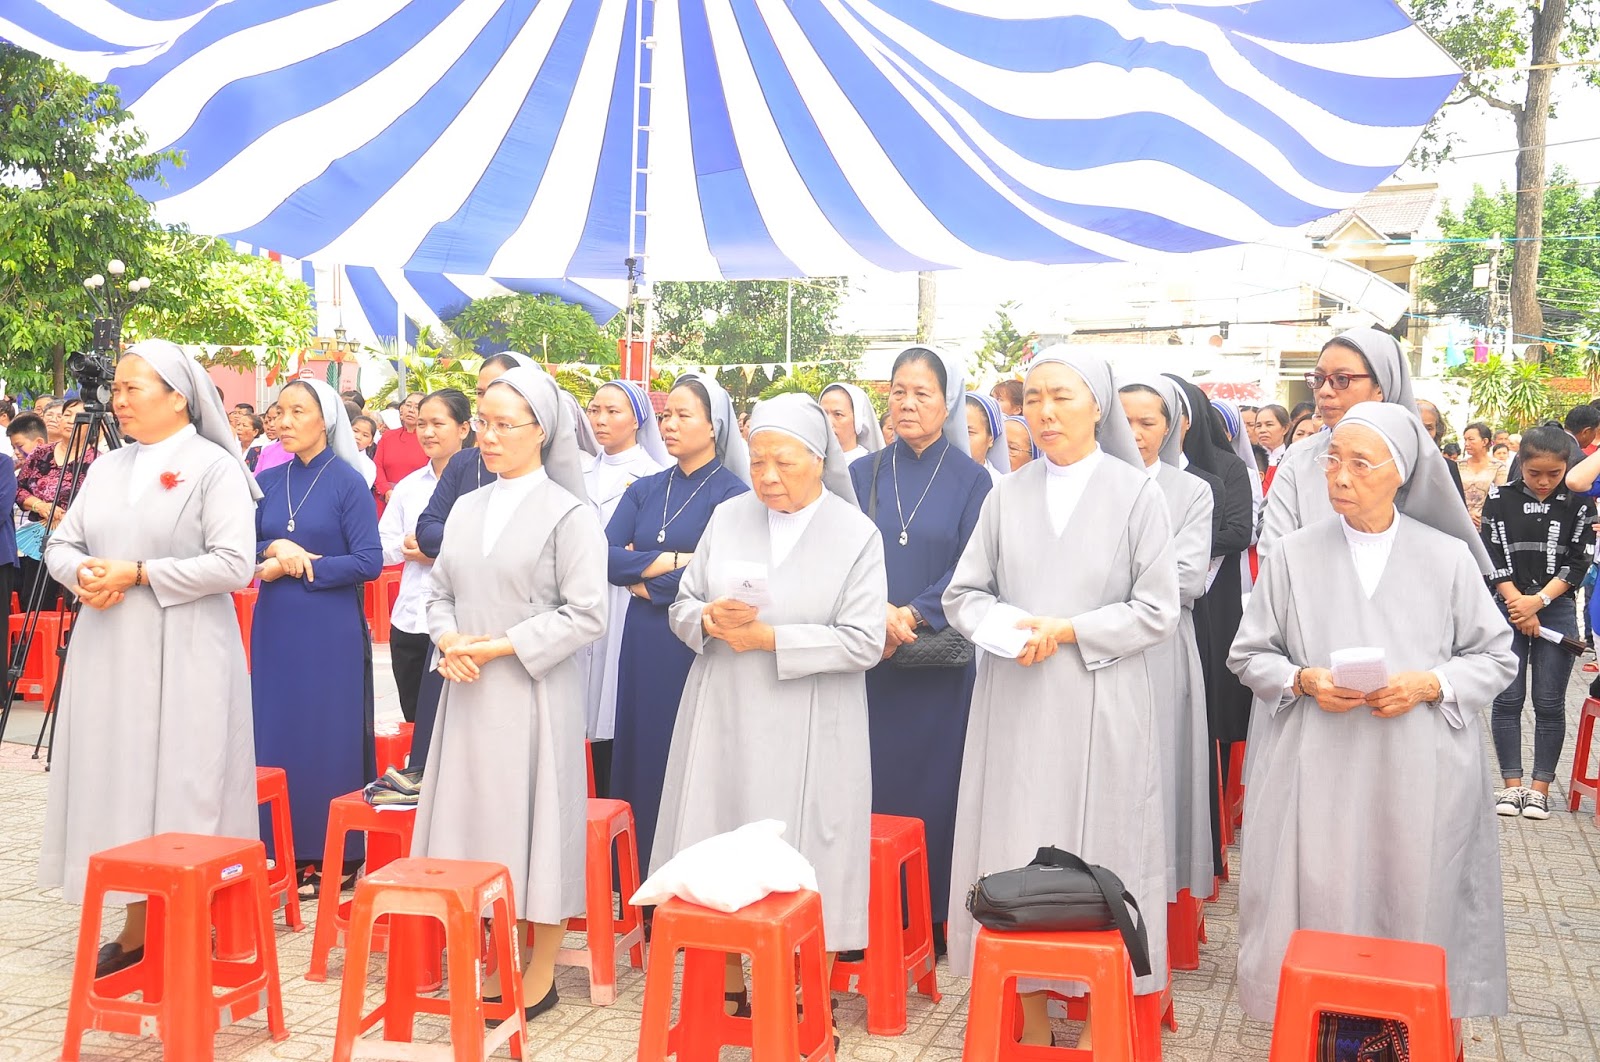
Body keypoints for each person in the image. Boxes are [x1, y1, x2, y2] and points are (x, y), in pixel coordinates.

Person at [1227, 402, 1515, 1027]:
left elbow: (1496, 656)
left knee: (1411, 893)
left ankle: (1404, 1027)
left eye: (1360, 463)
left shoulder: (1447, 557)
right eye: (1332, 460)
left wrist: (1430, 683)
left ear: (1401, 472)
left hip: (1416, 764)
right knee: (1322, 895)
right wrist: (1303, 679)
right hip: (1318, 762)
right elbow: (1248, 653)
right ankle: (1323, 1025)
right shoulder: (1293, 555)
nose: (1340, 476)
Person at [944, 349, 1177, 1045]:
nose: (1044, 413)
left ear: (1098, 406)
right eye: (1034, 399)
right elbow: (964, 594)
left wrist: (1070, 629)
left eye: (1062, 397)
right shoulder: (1006, 494)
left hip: (1101, 698)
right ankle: (1034, 1016)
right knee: (1019, 843)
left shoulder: (1136, 494)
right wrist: (1007, 628)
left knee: (1101, 844)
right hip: (1017, 700)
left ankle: (1103, 1015)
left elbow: (1157, 610)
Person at [656, 394, 883, 1041]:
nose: (768, 477)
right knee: (719, 835)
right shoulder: (728, 516)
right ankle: (726, 981)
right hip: (726, 712)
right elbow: (683, 604)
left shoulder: (854, 534)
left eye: (784, 462)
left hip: (814, 721)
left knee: (812, 851)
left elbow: (864, 640)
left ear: (819, 459)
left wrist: (771, 640)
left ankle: (810, 992)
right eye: (757, 461)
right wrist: (707, 618)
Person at [40, 340, 259, 977]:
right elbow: (62, 543)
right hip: (109, 645)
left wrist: (138, 573)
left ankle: (191, 916)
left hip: (186, 647)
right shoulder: (108, 467)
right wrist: (83, 575)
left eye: (133, 387)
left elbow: (234, 564)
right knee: (118, 773)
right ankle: (135, 919)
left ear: (178, 397)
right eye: (116, 387)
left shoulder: (214, 468)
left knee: (184, 778)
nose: (118, 399)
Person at [413, 366, 606, 1022]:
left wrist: (496, 647)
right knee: (477, 822)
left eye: (504, 425)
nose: (488, 438)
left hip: (533, 692)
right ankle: (492, 954)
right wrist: (448, 639)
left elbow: (587, 614)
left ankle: (540, 969)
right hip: (467, 689)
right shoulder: (467, 507)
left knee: (538, 824)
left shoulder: (569, 514)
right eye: (483, 424)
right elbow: (439, 592)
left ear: (541, 431)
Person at [849, 346, 991, 938]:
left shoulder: (972, 479)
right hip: (866, 657)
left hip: (935, 663)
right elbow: (841, 551)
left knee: (935, 785)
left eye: (922, 393)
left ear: (947, 402)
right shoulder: (861, 473)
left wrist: (909, 614)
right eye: (898, 392)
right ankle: (862, 916)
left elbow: (973, 565)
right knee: (864, 783)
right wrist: (874, 615)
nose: (907, 404)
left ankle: (927, 917)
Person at [608, 373, 750, 871]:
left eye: (683, 415)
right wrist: (675, 560)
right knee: (641, 746)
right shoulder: (645, 488)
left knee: (684, 750)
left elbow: (719, 573)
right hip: (642, 639)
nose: (669, 424)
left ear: (714, 427)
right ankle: (633, 870)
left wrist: (646, 576)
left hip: (691, 641)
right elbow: (605, 558)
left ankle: (685, 871)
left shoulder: (733, 494)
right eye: (666, 415)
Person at [252, 379, 382, 897]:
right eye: (279, 411)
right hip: (276, 623)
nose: (283, 422)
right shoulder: (267, 479)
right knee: (277, 729)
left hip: (328, 626)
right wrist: (273, 548)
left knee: (327, 734)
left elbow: (369, 561)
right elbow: (241, 542)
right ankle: (277, 845)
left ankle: (335, 855)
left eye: (297, 411)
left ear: (325, 420)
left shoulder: (348, 482)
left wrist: (304, 565)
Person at [1119, 376, 1215, 916]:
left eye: (1147, 422)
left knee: (1158, 767)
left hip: (1160, 647)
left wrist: (1107, 586)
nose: (1134, 432)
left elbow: (1187, 577)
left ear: (1171, 427)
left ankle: (1155, 897)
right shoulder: (1095, 485)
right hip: (1093, 650)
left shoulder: (1191, 491)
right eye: (1124, 420)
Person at [1483, 426, 1595, 820]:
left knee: (1548, 702)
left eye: (1554, 473)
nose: (1544, 481)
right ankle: (1511, 785)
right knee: (1507, 699)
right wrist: (1518, 602)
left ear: (1567, 466)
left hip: (1557, 608)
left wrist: (1539, 601)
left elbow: (1580, 560)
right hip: (1508, 607)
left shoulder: (1580, 504)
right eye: (1535, 473)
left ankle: (1540, 789)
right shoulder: (1500, 499)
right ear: (1522, 465)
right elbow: (1489, 552)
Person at [1260, 329, 1421, 564]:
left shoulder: (1421, 463)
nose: (1324, 392)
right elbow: (1274, 558)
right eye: (1319, 379)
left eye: (1342, 379)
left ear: (1381, 386)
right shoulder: (1299, 459)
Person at [582, 380, 669, 797]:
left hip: (626, 599)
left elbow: (641, 552)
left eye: (612, 411)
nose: (600, 419)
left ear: (637, 420)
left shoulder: (655, 477)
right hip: (580, 595)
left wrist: (630, 559)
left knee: (615, 701)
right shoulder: (576, 472)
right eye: (594, 410)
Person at [379, 389, 472, 725]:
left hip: (459, 622)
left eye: (437, 423)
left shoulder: (482, 484)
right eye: (421, 424)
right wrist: (407, 547)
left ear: (463, 428)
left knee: (453, 723)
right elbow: (382, 544)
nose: (427, 432)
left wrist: (437, 552)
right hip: (409, 618)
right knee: (414, 717)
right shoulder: (409, 486)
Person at [17, 395, 97, 611]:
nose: (70, 421)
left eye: (78, 416)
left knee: (75, 603)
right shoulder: (41, 453)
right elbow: (19, 488)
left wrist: (67, 516)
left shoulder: (98, 460)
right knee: (35, 599)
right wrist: (41, 506)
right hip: (39, 538)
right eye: (66, 415)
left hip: (78, 541)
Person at [373, 392, 427, 505]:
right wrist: (386, 490)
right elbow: (377, 465)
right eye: (408, 405)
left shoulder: (429, 440)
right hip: (386, 499)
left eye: (417, 407)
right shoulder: (388, 437)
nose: (411, 410)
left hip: (417, 501)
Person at [1415, 398, 1467, 503]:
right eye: (1416, 426)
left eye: (1429, 428)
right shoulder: (1389, 465)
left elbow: (1457, 509)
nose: (1422, 433)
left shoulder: (1447, 467)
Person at [1458, 421, 1507, 529]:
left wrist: (1483, 516)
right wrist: (1466, 515)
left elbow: (1500, 497)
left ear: (1485, 441)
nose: (1466, 444)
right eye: (1465, 440)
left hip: (1486, 523)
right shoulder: (1458, 465)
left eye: (1471, 439)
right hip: (1460, 520)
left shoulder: (1498, 467)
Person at [819, 382, 884, 464]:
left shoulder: (869, 466)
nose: (828, 422)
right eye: (823, 414)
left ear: (858, 420)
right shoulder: (811, 463)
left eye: (838, 414)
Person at [964, 392, 1011, 483]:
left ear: (990, 439)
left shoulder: (999, 486)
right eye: (955, 431)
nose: (961, 439)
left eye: (969, 432)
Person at [254, 403, 292, 475]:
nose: (271, 425)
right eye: (268, 420)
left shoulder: (300, 451)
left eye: (275, 418)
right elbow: (257, 478)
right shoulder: (267, 450)